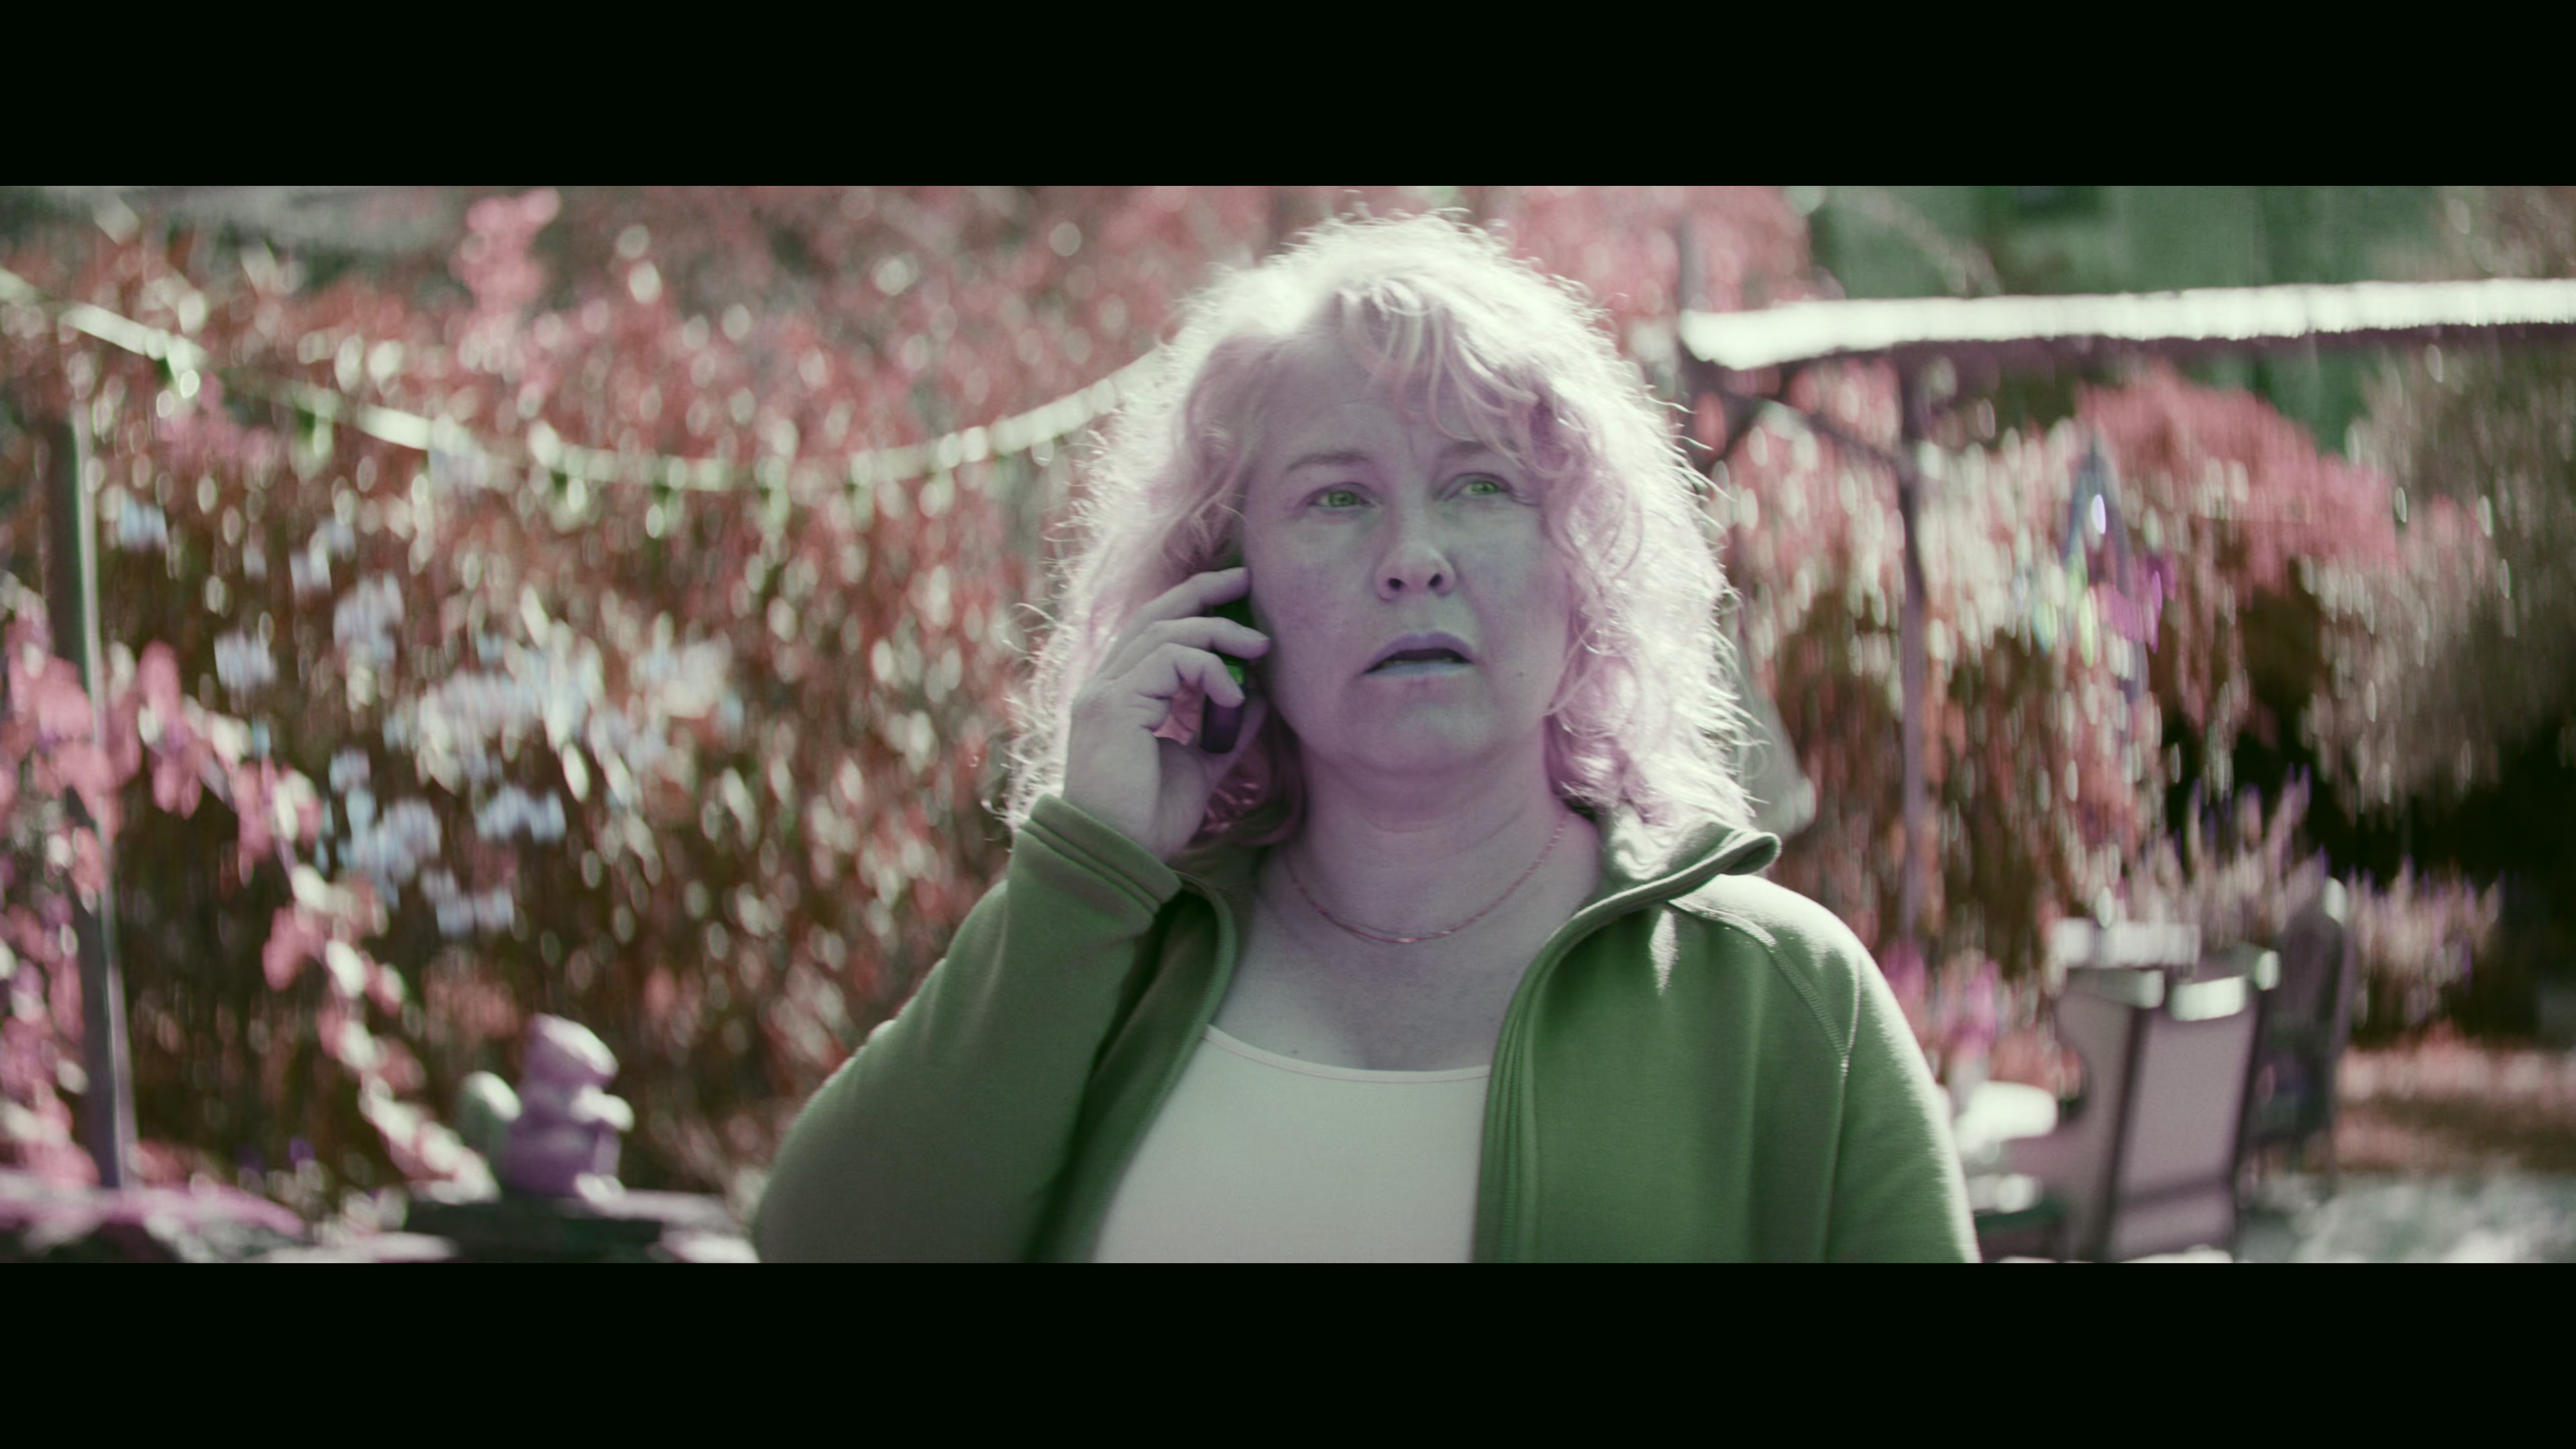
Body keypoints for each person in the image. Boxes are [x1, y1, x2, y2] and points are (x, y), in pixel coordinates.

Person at [751, 212, 1977, 1261]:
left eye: (1481, 485)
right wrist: (1086, 868)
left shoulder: (1779, 994)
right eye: (1336, 497)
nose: (1415, 559)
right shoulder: (1111, 957)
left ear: (1582, 569)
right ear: (1225, 584)